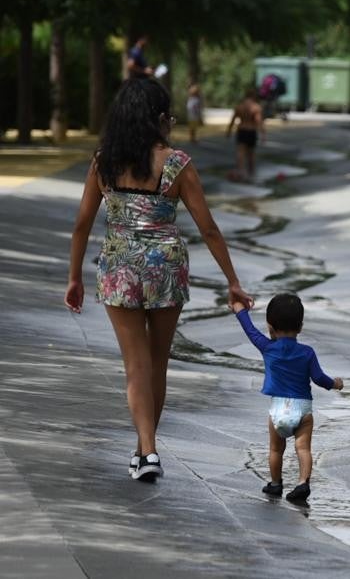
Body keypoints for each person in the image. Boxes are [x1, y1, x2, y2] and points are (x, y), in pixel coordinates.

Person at [65, 77, 252, 481]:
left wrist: (74, 277)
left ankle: (146, 450)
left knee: (135, 367)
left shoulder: (104, 162)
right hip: (166, 267)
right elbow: (209, 229)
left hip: (118, 267)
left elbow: (82, 225)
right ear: (159, 119)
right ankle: (144, 450)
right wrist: (232, 281)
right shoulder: (176, 163)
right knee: (157, 364)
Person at [229, 293, 343, 503]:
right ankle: (302, 483)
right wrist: (335, 383)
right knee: (303, 448)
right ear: (300, 327)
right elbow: (318, 378)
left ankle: (275, 483)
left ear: (270, 326)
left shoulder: (267, 347)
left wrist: (239, 309)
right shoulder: (307, 352)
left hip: (278, 410)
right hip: (303, 410)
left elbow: (250, 330)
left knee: (275, 449)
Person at [226, 88, 264, 182]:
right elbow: (259, 122)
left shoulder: (239, 106)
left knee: (240, 153)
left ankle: (241, 173)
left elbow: (232, 120)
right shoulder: (256, 107)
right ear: (253, 96)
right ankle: (252, 173)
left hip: (242, 130)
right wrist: (263, 134)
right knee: (251, 154)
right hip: (251, 131)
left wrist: (229, 131)